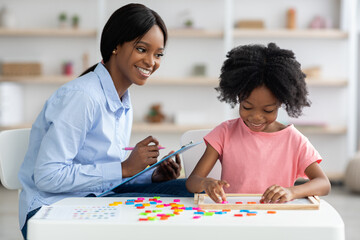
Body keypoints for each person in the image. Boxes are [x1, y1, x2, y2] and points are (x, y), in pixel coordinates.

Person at [18, 3, 191, 239]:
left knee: (190, 189)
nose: (151, 62)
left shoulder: (122, 100)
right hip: (51, 208)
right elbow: (48, 176)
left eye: (158, 54)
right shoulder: (83, 97)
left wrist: (149, 174)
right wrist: (124, 168)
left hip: (95, 199)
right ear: (116, 46)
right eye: (142, 49)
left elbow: (103, 169)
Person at [186, 43, 331, 203]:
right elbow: (192, 182)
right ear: (238, 98)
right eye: (247, 107)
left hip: (276, 219)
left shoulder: (294, 140)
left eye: (268, 110)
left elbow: (324, 184)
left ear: (281, 103)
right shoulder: (224, 132)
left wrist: (291, 192)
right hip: (234, 217)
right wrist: (205, 183)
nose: (256, 117)